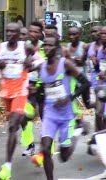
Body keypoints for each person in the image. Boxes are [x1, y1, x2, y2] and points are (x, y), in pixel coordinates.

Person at [32, 36, 90, 180]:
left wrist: (69, 97)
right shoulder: (41, 67)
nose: (47, 48)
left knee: (63, 157)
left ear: (57, 48)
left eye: (50, 45)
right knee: (45, 149)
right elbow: (41, 88)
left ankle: (77, 132)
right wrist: (34, 90)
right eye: (45, 45)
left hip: (65, 116)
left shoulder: (66, 64)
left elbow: (85, 83)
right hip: (50, 114)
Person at [0, 23, 33, 180]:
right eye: (7, 30)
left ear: (19, 34)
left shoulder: (25, 47)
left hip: (21, 90)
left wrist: (31, 64)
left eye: (13, 31)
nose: (9, 33)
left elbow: (38, 61)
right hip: (6, 92)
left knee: (12, 126)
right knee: (15, 121)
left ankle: (7, 167)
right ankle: (26, 117)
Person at [21, 21, 46, 157]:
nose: (32, 34)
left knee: (44, 117)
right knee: (23, 116)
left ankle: (45, 147)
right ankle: (30, 144)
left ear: (41, 32)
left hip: (42, 86)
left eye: (36, 32)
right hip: (27, 85)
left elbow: (48, 66)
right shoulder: (24, 47)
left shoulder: (45, 47)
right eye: (31, 31)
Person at [83, 26, 103, 132]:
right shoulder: (88, 46)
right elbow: (81, 60)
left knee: (101, 111)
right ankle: (97, 133)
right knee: (98, 111)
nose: (93, 34)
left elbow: (99, 66)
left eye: (95, 31)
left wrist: (96, 62)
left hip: (103, 81)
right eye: (91, 31)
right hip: (95, 81)